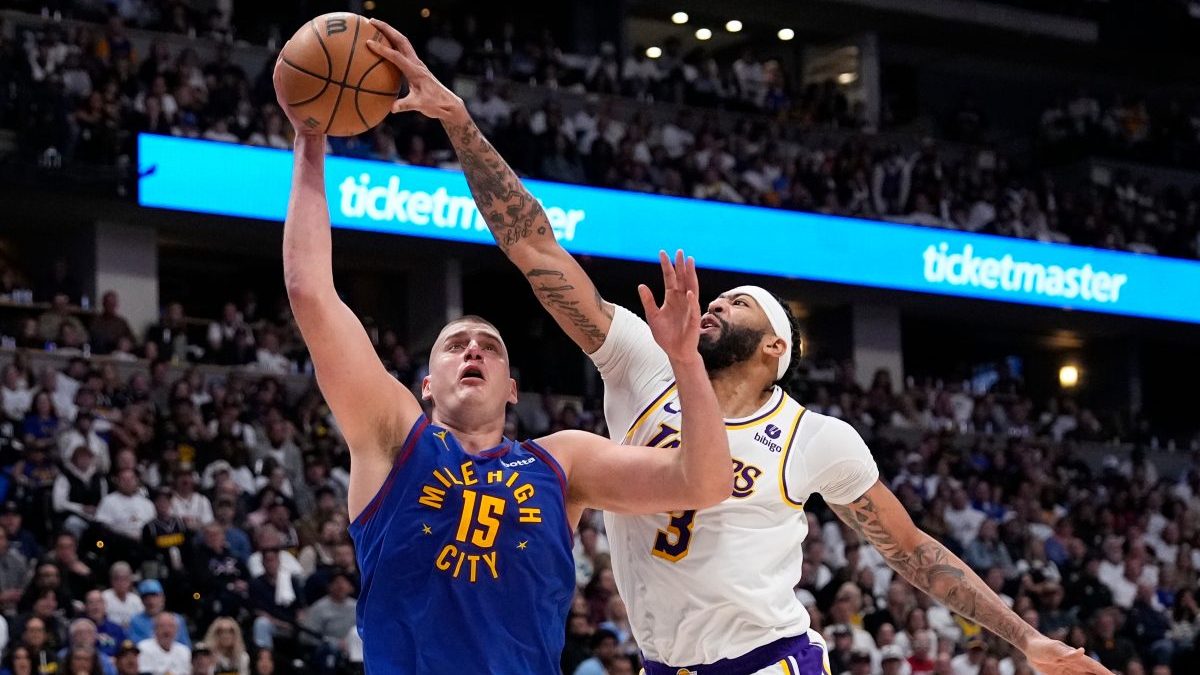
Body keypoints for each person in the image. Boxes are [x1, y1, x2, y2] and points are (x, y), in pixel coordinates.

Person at [366, 20, 1115, 675]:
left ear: (775, 349)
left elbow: (911, 549)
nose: (717, 304)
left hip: (767, 660)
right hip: (663, 665)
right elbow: (536, 251)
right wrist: (460, 124)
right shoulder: (641, 358)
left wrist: (1027, 639)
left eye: (738, 305)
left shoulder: (816, 438)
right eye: (717, 299)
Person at [273, 48, 734, 673]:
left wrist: (685, 361)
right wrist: (309, 138)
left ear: (512, 388)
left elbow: (703, 483)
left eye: (490, 347)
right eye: (455, 345)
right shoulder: (391, 438)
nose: (473, 350)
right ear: (425, 384)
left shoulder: (561, 460)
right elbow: (310, 291)